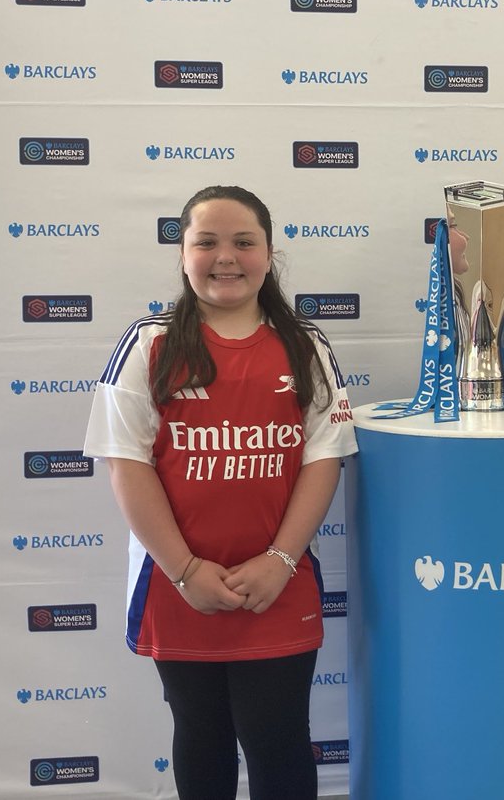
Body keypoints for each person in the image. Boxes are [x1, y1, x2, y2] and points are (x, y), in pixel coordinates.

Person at [83, 185, 358, 800]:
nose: (225, 256)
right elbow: (125, 464)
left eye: (243, 241)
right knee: (200, 733)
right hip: (178, 585)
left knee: (278, 735)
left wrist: (281, 560)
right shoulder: (147, 344)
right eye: (206, 242)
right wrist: (183, 570)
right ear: (182, 254)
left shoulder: (307, 344)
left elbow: (324, 458)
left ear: (269, 253)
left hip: (278, 585)